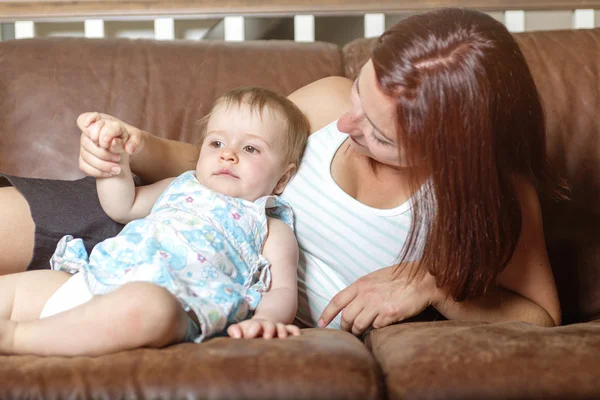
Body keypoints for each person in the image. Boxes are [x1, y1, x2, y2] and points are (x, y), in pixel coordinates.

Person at [0, 8, 569, 340]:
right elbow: (212, 161)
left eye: (377, 131)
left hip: (202, 290)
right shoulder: (324, 103)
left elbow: (540, 319)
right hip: (153, 218)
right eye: (357, 95)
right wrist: (132, 145)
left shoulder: (495, 199)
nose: (345, 123)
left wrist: (435, 278)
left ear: (455, 150)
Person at [0, 86, 310, 356]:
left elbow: (281, 291)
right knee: (16, 291)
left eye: (251, 148)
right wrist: (117, 164)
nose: (228, 154)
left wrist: (265, 320)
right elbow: (123, 206)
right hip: (94, 279)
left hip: (172, 306)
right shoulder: (180, 185)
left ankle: (17, 338)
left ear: (282, 178)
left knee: (149, 305)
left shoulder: (270, 228)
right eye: (216, 143)